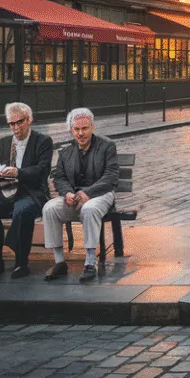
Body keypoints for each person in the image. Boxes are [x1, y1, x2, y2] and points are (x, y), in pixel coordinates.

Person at [0, 102, 53, 279]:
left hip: (30, 192)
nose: (15, 127)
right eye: (11, 123)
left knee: (22, 211)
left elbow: (42, 169)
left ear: (29, 120)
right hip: (6, 191)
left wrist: (19, 172)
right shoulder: (3, 143)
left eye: (19, 122)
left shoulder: (42, 141)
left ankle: (21, 263)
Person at [43, 109, 119, 282]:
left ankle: (90, 262)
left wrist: (88, 193)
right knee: (49, 208)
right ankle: (59, 261)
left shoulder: (107, 146)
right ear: (71, 130)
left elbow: (111, 176)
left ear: (92, 127)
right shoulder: (66, 151)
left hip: (101, 194)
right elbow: (59, 176)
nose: (81, 133)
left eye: (85, 128)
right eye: (76, 129)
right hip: (75, 196)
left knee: (89, 209)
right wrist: (67, 193)